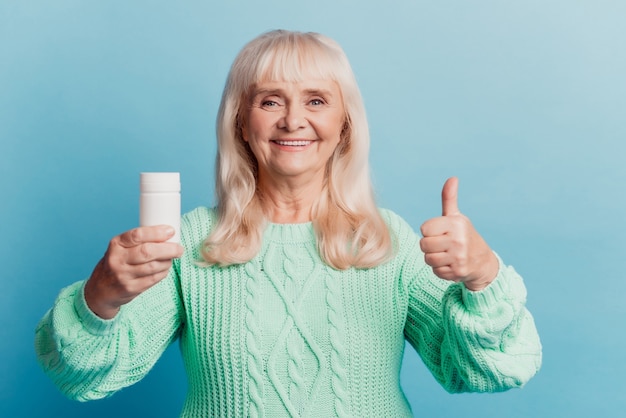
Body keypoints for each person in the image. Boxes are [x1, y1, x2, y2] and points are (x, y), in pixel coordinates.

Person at [35, 30, 542, 417]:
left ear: (345, 123)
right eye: (270, 100)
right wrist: (99, 297)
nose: (293, 120)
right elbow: (83, 375)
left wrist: (483, 277)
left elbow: (493, 370)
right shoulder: (191, 242)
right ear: (241, 120)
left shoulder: (386, 242)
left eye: (316, 101)